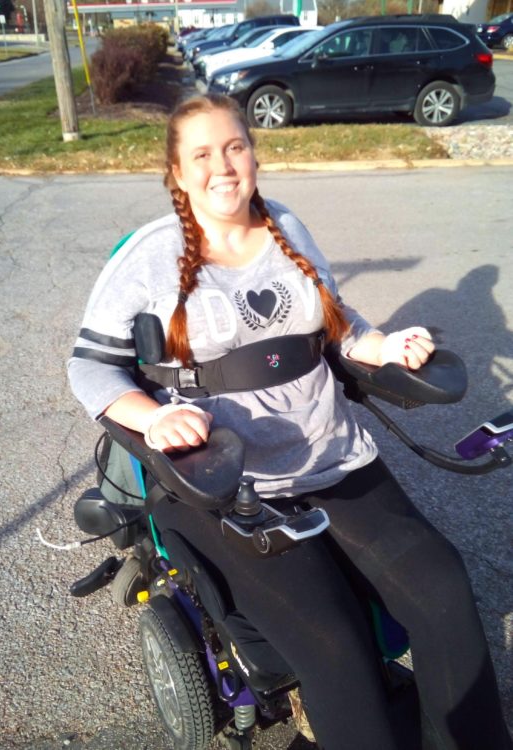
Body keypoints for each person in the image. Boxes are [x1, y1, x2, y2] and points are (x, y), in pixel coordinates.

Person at [68, 94, 512, 750]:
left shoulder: (286, 227)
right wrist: (152, 420)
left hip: (332, 455)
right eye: (201, 154)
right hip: (228, 482)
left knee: (442, 591)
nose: (222, 166)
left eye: (234, 147)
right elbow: (90, 368)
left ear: (252, 153)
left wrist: (384, 348)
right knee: (335, 647)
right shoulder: (149, 258)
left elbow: (337, 326)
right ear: (176, 173)